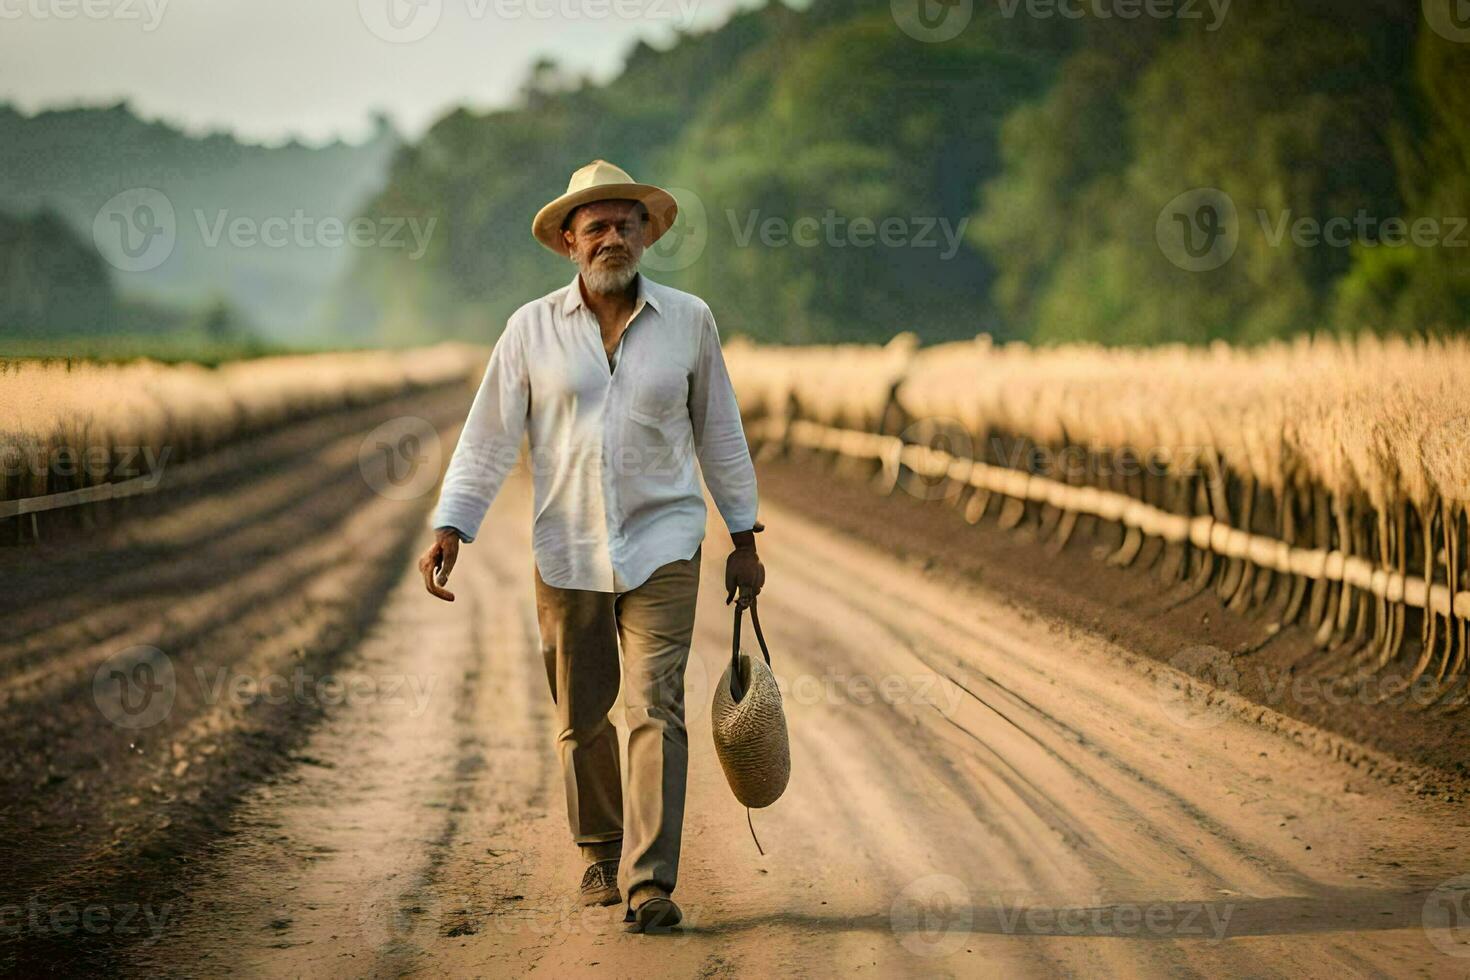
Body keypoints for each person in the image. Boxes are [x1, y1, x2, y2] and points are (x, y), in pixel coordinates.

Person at [417, 159, 766, 934]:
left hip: (666, 542)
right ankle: (601, 850)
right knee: (580, 716)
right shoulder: (529, 331)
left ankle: (649, 883)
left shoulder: (689, 321)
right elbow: (487, 439)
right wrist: (452, 525)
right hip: (567, 550)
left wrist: (744, 537)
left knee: (658, 708)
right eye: (596, 226)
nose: (613, 237)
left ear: (647, 234)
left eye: (626, 223)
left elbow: (721, 433)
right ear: (569, 241)